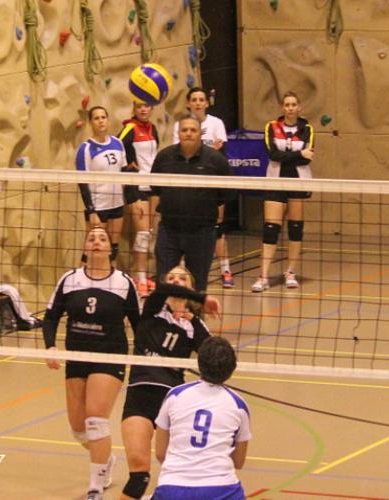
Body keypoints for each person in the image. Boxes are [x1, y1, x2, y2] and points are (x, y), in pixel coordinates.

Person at [43, 226, 140, 500]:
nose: (96, 242)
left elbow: (139, 324)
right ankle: (105, 458)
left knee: (96, 419)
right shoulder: (70, 279)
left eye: (102, 238)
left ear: (110, 248)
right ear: (85, 248)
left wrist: (147, 360)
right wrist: (50, 347)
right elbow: (50, 317)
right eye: (91, 238)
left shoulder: (123, 283)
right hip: (77, 358)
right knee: (78, 429)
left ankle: (95, 487)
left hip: (110, 357)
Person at [120, 265, 221, 500]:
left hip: (173, 403)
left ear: (190, 287)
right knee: (139, 475)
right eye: (171, 277)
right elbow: (162, 290)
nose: (175, 281)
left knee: (178, 472)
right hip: (140, 396)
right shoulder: (152, 309)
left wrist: (195, 319)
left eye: (182, 278)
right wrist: (203, 298)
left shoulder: (194, 326)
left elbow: (215, 360)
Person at [152, 336, 251, 500]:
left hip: (172, 488)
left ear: (199, 364)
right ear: (232, 368)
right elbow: (238, 462)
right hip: (222, 490)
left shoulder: (175, 395)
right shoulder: (239, 405)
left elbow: (161, 453)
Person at [151, 113, 232, 292]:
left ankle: (195, 311)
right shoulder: (164, 157)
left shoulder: (215, 159)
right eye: (184, 130)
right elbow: (155, 189)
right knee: (163, 284)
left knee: (197, 286)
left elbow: (226, 193)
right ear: (178, 133)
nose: (188, 133)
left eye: (193, 130)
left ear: (200, 133)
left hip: (202, 232)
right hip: (169, 231)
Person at [252, 91, 314, 292]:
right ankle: (263, 276)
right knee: (271, 229)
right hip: (275, 182)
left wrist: (291, 155)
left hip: (298, 182)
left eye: (293, 104)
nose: (290, 108)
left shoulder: (307, 129)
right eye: (287, 104)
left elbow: (308, 157)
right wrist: (298, 153)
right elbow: (272, 154)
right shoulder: (271, 127)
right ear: (282, 107)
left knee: (295, 228)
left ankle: (290, 272)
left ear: (299, 107)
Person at [173, 87, 234, 289]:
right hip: (188, 185)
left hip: (212, 183)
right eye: (194, 100)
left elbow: (219, 153)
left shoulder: (216, 123)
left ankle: (225, 269)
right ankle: (183, 270)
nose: (198, 103)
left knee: (218, 226)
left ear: (207, 103)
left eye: (201, 99)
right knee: (185, 225)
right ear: (188, 103)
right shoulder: (180, 125)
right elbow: (180, 151)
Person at [76, 106, 128, 263]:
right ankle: (82, 276)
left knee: (113, 249)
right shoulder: (85, 148)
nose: (101, 121)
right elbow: (82, 182)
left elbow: (125, 173)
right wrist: (91, 210)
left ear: (108, 120)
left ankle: (109, 277)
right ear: (90, 123)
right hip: (98, 207)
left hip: (117, 204)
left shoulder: (118, 143)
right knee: (91, 250)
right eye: (96, 118)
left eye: (103, 117)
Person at [119, 102, 160, 298]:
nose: (143, 109)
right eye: (139, 106)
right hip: (136, 187)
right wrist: (127, 164)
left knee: (147, 233)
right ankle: (141, 279)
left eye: (147, 106)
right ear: (134, 109)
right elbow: (117, 146)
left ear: (152, 108)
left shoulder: (153, 128)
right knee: (142, 233)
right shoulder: (130, 128)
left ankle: (141, 275)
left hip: (153, 187)